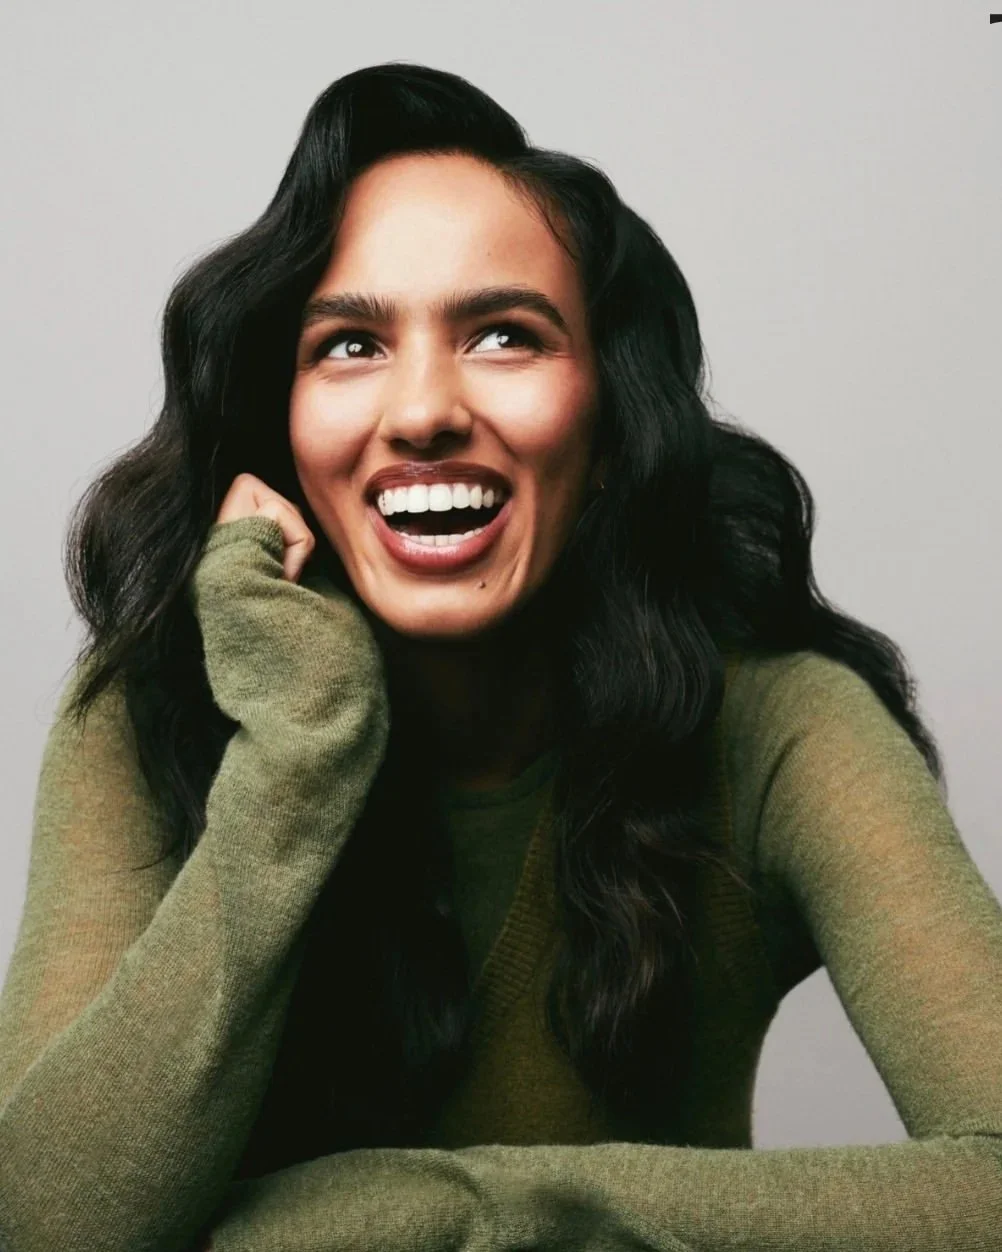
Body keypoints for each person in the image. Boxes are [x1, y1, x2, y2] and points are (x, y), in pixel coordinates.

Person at [0, 60, 1000, 1252]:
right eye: (349, 346)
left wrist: (457, 1213)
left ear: (613, 419)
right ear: (281, 428)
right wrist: (297, 761)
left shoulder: (783, 725)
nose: (422, 408)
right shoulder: (150, 709)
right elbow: (45, 1226)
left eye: (503, 335)